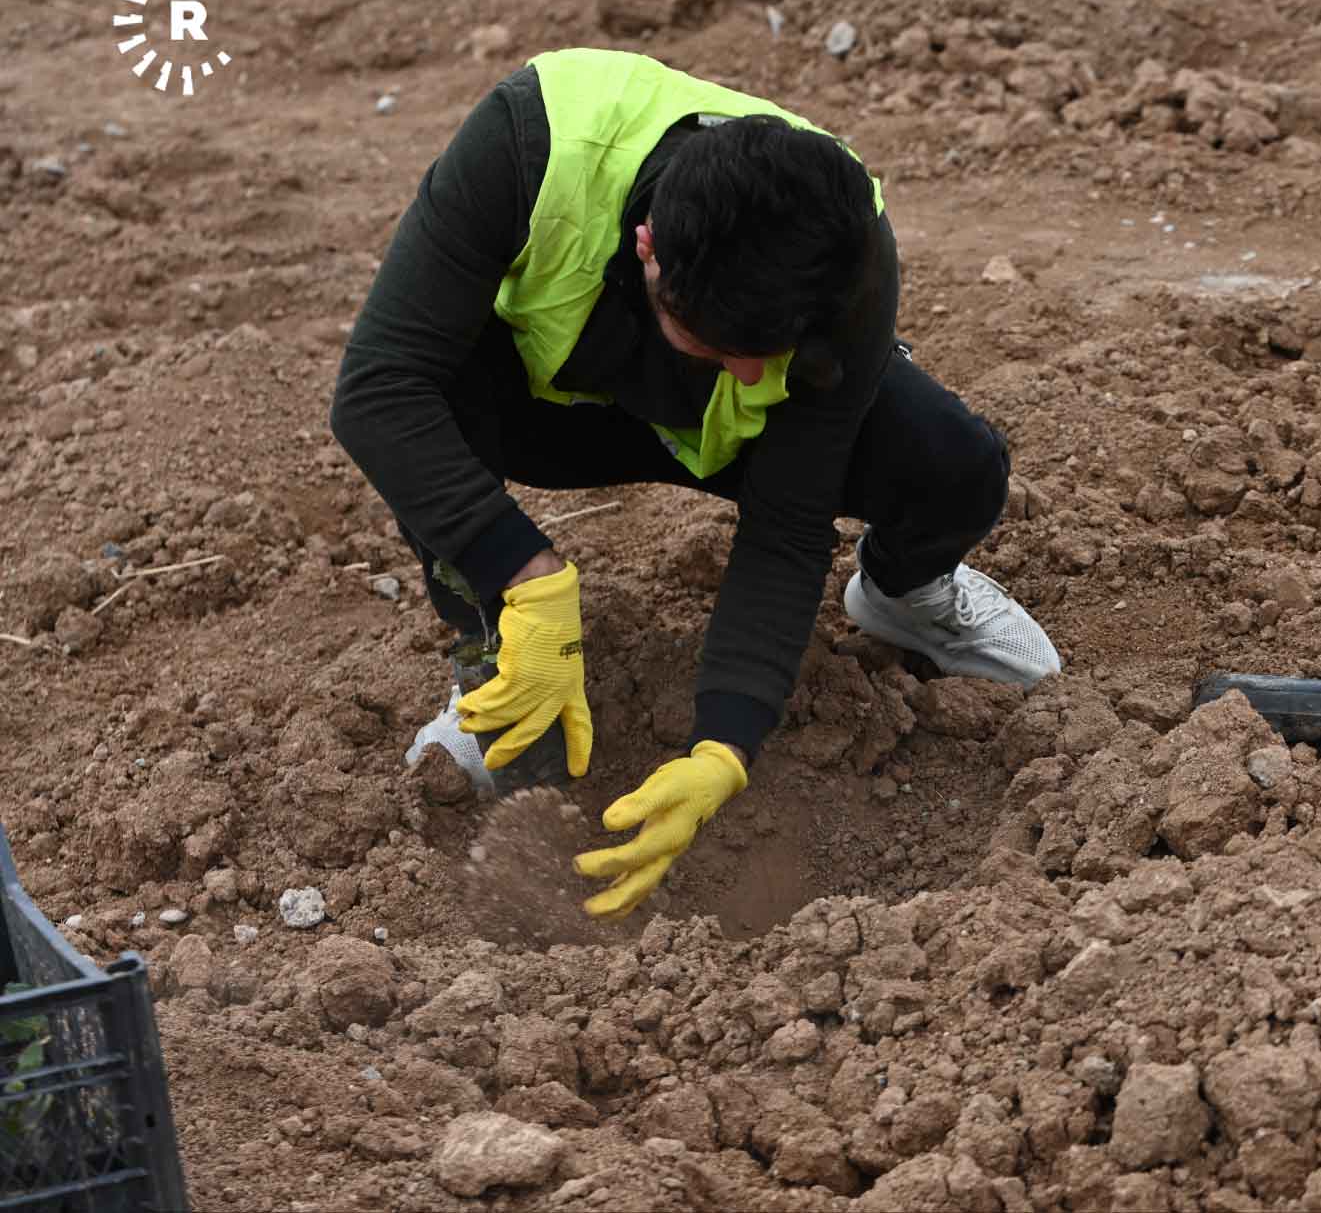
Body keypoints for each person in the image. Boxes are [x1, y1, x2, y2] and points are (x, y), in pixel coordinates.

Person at [330, 47, 1060, 920]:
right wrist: (523, 573)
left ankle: (905, 595)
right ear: (648, 248)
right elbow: (375, 390)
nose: (752, 376)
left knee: (955, 464)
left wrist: (725, 743)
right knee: (424, 402)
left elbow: (786, 525)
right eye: (722, 349)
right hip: (555, 408)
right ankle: (497, 665)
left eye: (769, 355)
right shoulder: (525, 145)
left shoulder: (841, 242)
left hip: (720, 432)